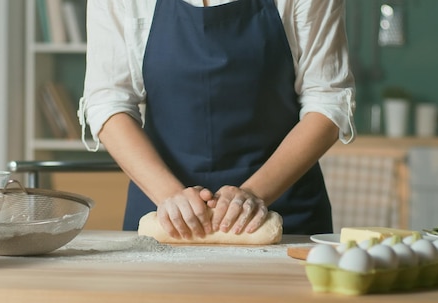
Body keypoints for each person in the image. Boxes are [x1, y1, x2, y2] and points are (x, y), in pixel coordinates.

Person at [78, 0, 356, 240]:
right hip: (162, 213)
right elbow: (109, 101)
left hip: (284, 215)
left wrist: (254, 195)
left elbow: (327, 100)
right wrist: (169, 196)